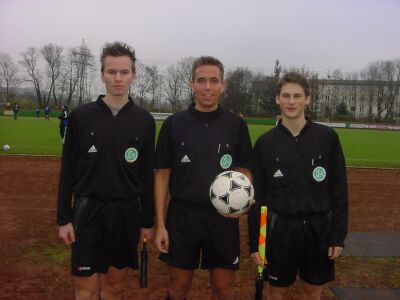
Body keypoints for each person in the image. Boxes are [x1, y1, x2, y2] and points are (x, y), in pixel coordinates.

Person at [57, 41, 155, 300]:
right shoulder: (81, 117)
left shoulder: (144, 121)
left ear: (134, 74)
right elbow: (68, 171)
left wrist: (147, 222)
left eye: (124, 72)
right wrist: (63, 218)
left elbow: (146, 176)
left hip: (126, 215)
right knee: (86, 290)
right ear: (102, 74)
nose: (118, 78)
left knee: (113, 289)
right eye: (112, 72)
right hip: (88, 213)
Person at [154, 56, 253, 300]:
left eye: (213, 81)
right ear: (192, 84)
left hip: (222, 218)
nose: (207, 87)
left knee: (223, 288)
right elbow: (162, 176)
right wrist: (160, 224)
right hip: (182, 217)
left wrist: (243, 204)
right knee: (178, 288)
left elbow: (245, 171)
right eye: (201, 81)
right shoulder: (174, 124)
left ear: (223, 84)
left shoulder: (236, 125)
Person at [248, 72, 348, 300]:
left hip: (318, 228)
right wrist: (255, 243)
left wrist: (337, 235)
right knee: (276, 291)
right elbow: (258, 197)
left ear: (308, 99)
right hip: (280, 230)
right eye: (286, 96)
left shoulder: (327, 137)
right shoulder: (265, 143)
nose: (291, 101)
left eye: (297, 96)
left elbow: (339, 190)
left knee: (311, 290)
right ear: (277, 99)